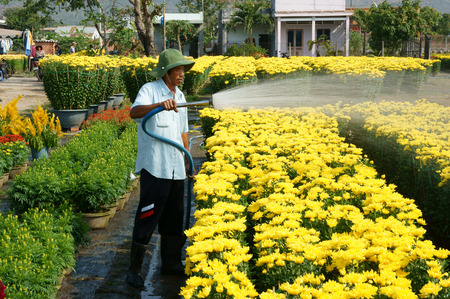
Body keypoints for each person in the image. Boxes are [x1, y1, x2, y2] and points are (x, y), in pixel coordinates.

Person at [127, 49, 195, 288]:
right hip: (156, 168)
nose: (182, 74)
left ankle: (171, 263)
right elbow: (134, 112)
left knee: (174, 219)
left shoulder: (182, 94)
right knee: (147, 216)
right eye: (178, 69)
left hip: (176, 166)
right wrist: (159, 105)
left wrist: (188, 160)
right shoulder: (149, 90)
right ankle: (134, 270)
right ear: (167, 72)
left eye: (183, 69)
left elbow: (183, 130)